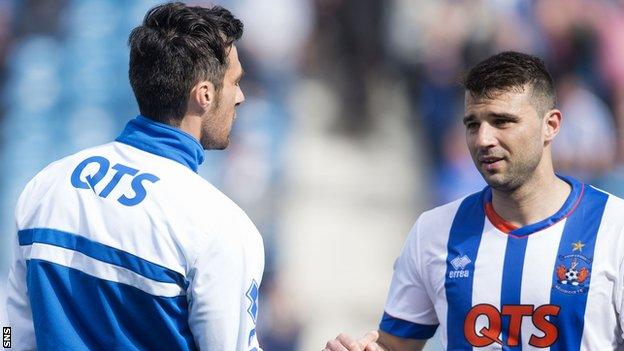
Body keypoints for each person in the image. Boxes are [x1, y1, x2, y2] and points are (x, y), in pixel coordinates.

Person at [323, 51, 624, 350]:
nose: (483, 139)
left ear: (551, 126)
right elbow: (394, 345)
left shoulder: (615, 228)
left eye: (502, 121)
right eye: (472, 124)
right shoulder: (434, 231)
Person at [6, 2, 264, 350]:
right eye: (235, 82)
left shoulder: (46, 184)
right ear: (204, 94)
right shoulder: (220, 228)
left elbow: (9, 334)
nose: (241, 97)